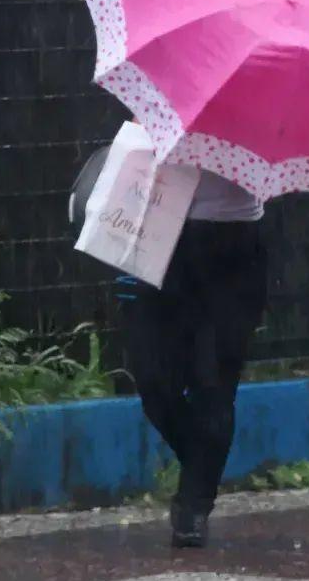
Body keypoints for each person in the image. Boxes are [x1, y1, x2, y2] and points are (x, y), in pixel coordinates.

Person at [71, 141, 266, 548]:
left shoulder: (266, 99)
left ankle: (194, 503)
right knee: (153, 382)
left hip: (232, 246)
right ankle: (202, 464)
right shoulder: (176, 87)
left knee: (214, 387)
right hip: (159, 229)